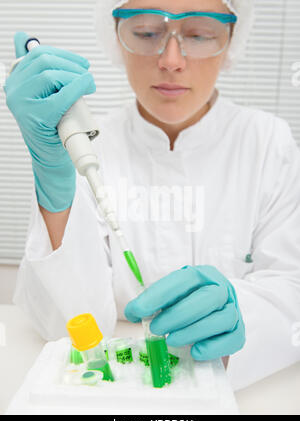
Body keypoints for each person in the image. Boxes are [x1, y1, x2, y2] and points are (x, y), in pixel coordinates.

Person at [4, 0, 300, 391]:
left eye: (199, 34)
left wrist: (244, 313)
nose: (171, 60)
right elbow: (65, 327)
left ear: (232, 39)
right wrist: (53, 182)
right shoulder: (86, 145)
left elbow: (292, 290)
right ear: (116, 37)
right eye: (146, 32)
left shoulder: (267, 142)